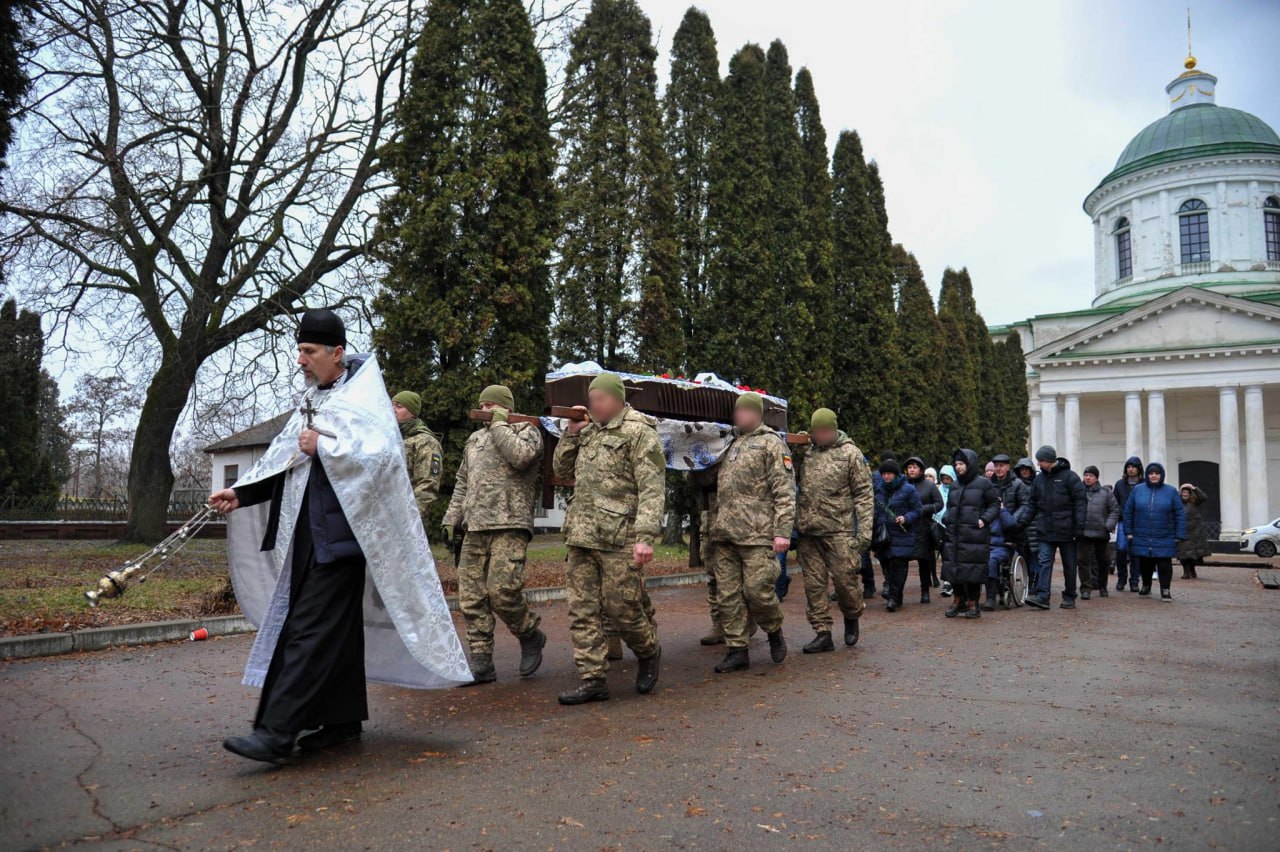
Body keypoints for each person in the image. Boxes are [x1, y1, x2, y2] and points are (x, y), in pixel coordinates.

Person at [211, 309, 471, 764]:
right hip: (310, 537)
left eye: (309, 352)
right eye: (299, 351)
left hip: (344, 539)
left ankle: (275, 732)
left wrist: (326, 446)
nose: (301, 361)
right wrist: (241, 492)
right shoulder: (317, 400)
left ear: (336, 352)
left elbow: (382, 460)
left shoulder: (364, 402)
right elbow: (286, 461)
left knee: (308, 633)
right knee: (334, 632)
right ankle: (341, 720)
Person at [552, 373, 664, 704]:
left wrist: (645, 536)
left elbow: (652, 488)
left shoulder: (639, 433)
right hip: (582, 536)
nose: (594, 404)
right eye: (591, 399)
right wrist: (572, 435)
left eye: (600, 398)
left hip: (619, 538)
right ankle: (593, 678)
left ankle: (648, 650)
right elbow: (562, 469)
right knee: (582, 609)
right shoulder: (588, 433)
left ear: (617, 399)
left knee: (622, 608)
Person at [442, 384, 547, 685]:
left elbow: (520, 457)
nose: (485, 411)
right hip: (475, 526)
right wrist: (452, 517)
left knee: (502, 591)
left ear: (506, 408)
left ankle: (530, 634)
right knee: (471, 596)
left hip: (509, 522)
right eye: (483, 406)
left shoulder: (527, 431)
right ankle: (481, 661)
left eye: (491, 406)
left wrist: (501, 423)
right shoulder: (475, 439)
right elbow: (463, 481)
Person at [705, 392, 795, 673]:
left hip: (757, 534)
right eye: (737, 412)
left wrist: (782, 531)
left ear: (757, 414)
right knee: (728, 595)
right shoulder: (728, 444)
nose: (739, 416)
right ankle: (737, 649)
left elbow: (785, 491)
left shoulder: (771, 444)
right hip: (724, 534)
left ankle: (773, 629)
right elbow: (704, 479)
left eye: (744, 411)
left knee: (758, 592)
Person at [794, 407, 873, 653]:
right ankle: (822, 632)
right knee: (814, 585)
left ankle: (852, 616)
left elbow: (864, 494)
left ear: (834, 428)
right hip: (809, 531)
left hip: (839, 530)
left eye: (825, 430)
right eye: (817, 431)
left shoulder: (850, 454)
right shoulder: (807, 454)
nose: (821, 435)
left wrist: (865, 531)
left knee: (844, 582)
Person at [1026, 444, 1087, 610]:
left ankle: (1069, 596)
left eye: (1041, 461)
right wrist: (1022, 522)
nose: (1038, 464)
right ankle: (1042, 596)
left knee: (1069, 564)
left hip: (1067, 530)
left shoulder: (1070, 477)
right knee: (1044, 561)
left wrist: (1079, 526)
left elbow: (1080, 502)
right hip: (1046, 529)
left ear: (1049, 461)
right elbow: (1032, 504)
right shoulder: (1039, 480)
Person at [942, 449, 999, 618]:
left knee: (973, 570)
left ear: (969, 464)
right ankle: (958, 601)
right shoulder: (954, 485)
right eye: (956, 464)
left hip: (974, 535)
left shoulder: (983, 484)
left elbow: (994, 504)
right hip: (954, 534)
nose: (957, 467)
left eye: (961, 464)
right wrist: (947, 519)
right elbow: (949, 507)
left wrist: (983, 520)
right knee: (953, 569)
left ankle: (973, 604)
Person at [1123, 462, 1186, 601]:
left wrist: (1179, 534)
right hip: (1142, 533)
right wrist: (1128, 531)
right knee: (1145, 562)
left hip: (1164, 534)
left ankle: (1165, 589)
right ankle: (1146, 586)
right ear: (1147, 475)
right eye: (1151, 473)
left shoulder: (1170, 491)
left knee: (1164, 563)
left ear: (1161, 475)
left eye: (1156, 473)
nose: (1154, 476)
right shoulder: (1138, 490)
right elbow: (1128, 511)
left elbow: (1180, 513)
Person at [872, 459, 921, 612]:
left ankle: (893, 598)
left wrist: (906, 518)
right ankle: (895, 595)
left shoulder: (908, 489)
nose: (886, 476)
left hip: (901, 534)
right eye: (884, 474)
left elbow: (917, 510)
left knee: (898, 566)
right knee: (886, 566)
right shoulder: (878, 490)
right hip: (883, 535)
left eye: (889, 473)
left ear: (896, 474)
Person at [391, 391, 443, 533]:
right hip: (385, 516)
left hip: (408, 520)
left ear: (413, 412)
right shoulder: (389, 438)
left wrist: (411, 517)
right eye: (392, 405)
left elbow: (428, 484)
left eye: (399, 406)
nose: (393, 409)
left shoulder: (425, 441)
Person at [988, 453, 1033, 603]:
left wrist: (1013, 519)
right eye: (996, 466)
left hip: (1012, 528)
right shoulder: (989, 484)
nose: (998, 469)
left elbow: (1025, 504)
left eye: (1001, 466)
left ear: (1008, 467)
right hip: (994, 525)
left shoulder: (1017, 484)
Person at [1077, 465, 1120, 600]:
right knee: (1083, 561)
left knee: (1103, 561)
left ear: (1096, 478)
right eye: (1086, 475)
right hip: (1083, 532)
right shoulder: (1078, 492)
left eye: (1091, 475)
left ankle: (1103, 586)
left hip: (1101, 533)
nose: (1088, 478)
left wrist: (1108, 525)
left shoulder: (1106, 492)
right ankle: (1085, 588)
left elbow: (1114, 510)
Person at [904, 456, 943, 602]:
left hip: (923, 527)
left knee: (924, 562)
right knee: (900, 560)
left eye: (915, 467)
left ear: (921, 469)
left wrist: (924, 509)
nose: (912, 470)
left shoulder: (929, 485)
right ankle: (896, 593)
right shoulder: (902, 484)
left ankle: (925, 591)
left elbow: (939, 504)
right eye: (909, 467)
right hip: (905, 528)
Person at [1112, 456, 1144, 591]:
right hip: (1123, 521)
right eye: (1128, 467)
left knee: (1136, 552)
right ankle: (1121, 578)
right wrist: (1119, 514)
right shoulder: (1120, 484)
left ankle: (1135, 580)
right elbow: (1114, 502)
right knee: (1121, 549)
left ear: (1139, 469)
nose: (1131, 469)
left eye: (1133, 467)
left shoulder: (1144, 484)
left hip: (1139, 522)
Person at [1013, 457, 1039, 586]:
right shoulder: (1015, 485)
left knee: (1036, 555)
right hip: (1021, 525)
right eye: (1021, 470)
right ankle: (1026, 582)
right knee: (1023, 555)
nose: (1024, 472)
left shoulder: (1037, 484)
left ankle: (1035, 582)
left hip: (1035, 524)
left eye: (1026, 469)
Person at [1178, 483, 1212, 579]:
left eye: (1187, 492)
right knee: (1183, 554)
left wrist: (1194, 488)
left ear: (1190, 494)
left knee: (1192, 554)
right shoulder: (1177, 503)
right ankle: (1186, 572)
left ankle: (1192, 570)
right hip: (1182, 532)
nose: (1185, 494)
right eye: (1183, 492)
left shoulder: (1194, 502)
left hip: (1194, 532)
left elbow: (1203, 497)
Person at [936, 465, 956, 598]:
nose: (946, 481)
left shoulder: (957, 490)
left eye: (949, 478)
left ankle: (953, 581)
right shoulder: (938, 490)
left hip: (954, 527)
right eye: (944, 478)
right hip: (940, 527)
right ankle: (947, 582)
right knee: (946, 556)